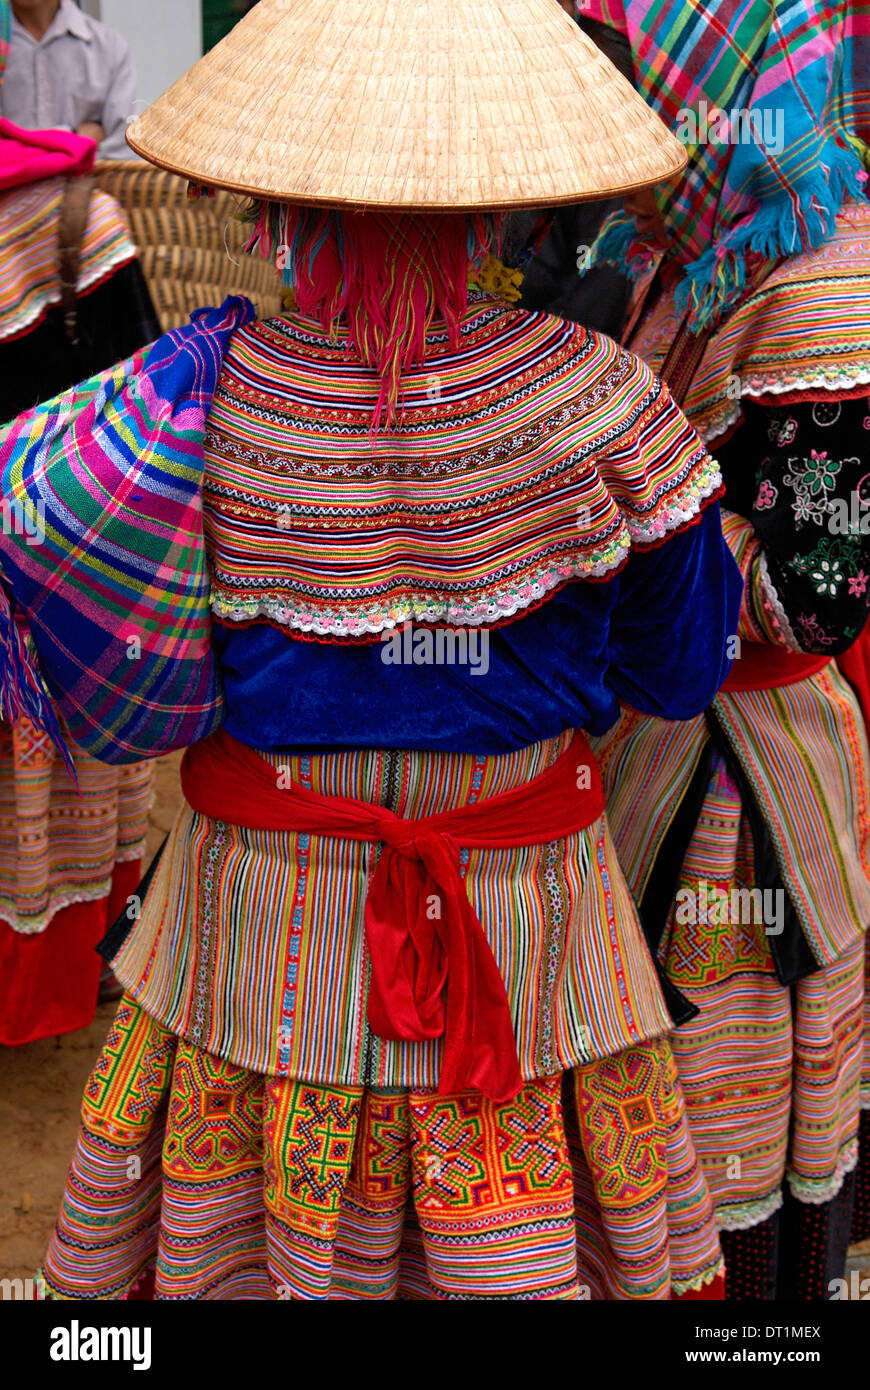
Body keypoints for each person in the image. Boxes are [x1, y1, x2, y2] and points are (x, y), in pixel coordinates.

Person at [2, 0, 743, 1301]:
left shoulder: (196, 400)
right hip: (528, 930)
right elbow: (679, 672)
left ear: (288, 196)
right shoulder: (608, 400)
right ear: (503, 204)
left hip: (253, 931)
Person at [580, 0, 870, 1299]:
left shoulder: (815, 287)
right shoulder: (679, 247)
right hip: (657, 731)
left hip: (735, 786)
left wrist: (625, 534)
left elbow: (820, 591)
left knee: (719, 1117)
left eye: (646, 90)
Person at [0, 0, 157, 1045]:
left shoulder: (73, 175)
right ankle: (85, 945)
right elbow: (124, 372)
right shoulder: (71, 202)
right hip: (60, 490)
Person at [2, 0, 137, 159]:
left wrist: (19, 153)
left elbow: (124, 151)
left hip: (91, 184)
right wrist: (73, 137)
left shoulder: (109, 47)